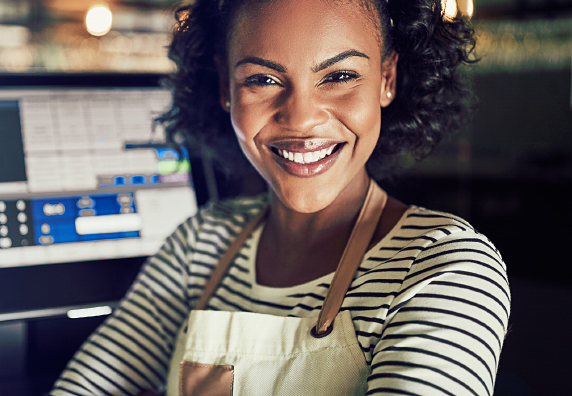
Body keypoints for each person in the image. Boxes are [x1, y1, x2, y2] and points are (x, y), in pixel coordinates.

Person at [51, 0, 510, 394]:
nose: (302, 118)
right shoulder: (200, 244)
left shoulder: (446, 268)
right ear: (225, 88)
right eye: (263, 80)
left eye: (340, 75)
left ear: (387, 78)